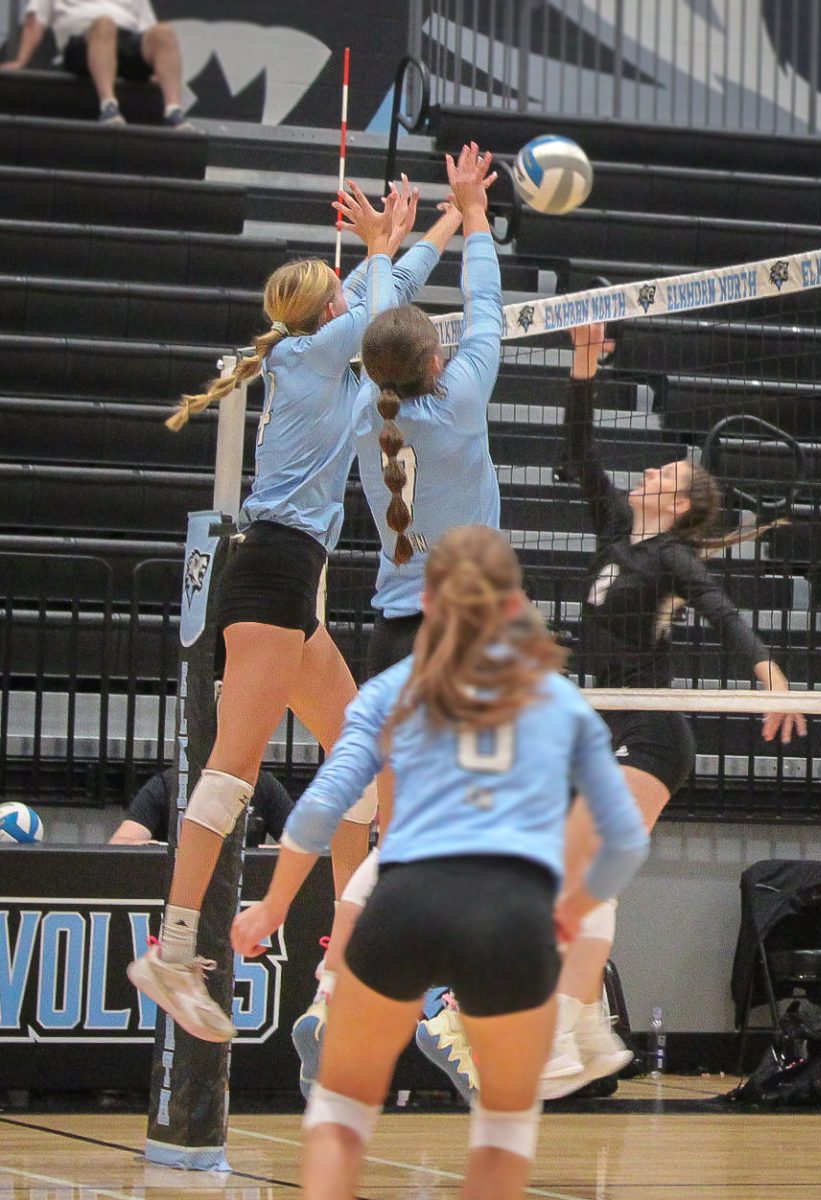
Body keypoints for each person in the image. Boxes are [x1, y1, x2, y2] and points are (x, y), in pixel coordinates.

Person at [126, 178, 462, 1044]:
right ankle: (170, 951)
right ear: (327, 312)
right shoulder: (313, 356)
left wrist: (450, 220)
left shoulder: (326, 354)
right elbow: (388, 305)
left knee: (360, 753)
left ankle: (344, 961)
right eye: (344, 289)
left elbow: (393, 298)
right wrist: (386, 245)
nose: (355, 290)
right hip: (271, 575)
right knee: (232, 772)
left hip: (291, 587)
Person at [231, 524, 651, 1200]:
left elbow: (320, 810)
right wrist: (574, 915)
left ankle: (328, 1002)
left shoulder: (390, 694)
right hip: (512, 917)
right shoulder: (557, 702)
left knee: (340, 1116)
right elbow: (623, 837)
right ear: (512, 606)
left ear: (428, 602)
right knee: (503, 1131)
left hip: (406, 899)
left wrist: (274, 905)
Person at [533, 320, 808, 1098]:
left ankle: (566, 1023)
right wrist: (582, 369)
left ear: (682, 502)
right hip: (601, 729)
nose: (649, 469)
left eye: (664, 470)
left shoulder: (675, 559)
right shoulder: (619, 534)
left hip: (653, 738)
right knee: (583, 878)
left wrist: (768, 670)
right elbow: (581, 453)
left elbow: (722, 611)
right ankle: (585, 1026)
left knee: (581, 875)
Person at [291, 141, 503, 1099]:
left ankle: (337, 989)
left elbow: (383, 317)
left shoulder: (380, 400)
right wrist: (473, 220)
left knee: (399, 827)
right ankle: (439, 1008)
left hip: (388, 633)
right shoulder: (457, 406)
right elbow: (486, 311)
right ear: (436, 357)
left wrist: (399, 243)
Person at [2, 1, 195, 129]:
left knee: (164, 32)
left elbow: (149, 29)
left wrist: (155, 69)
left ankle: (173, 111)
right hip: (81, 43)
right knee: (105, 25)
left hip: (125, 41)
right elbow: (36, 20)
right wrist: (22, 60)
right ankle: (109, 106)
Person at [109, 766, 293, 846]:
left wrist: (256, 854)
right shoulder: (168, 784)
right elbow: (120, 845)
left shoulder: (263, 784)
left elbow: (303, 845)